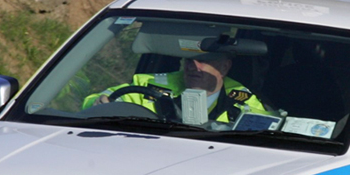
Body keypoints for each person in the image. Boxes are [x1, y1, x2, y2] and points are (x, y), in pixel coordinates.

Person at [82, 51, 268, 123]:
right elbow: (103, 100)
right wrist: (99, 103)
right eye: (189, 60)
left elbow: (266, 132)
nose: (194, 67)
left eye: (203, 60)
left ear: (225, 67)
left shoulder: (241, 99)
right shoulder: (149, 85)